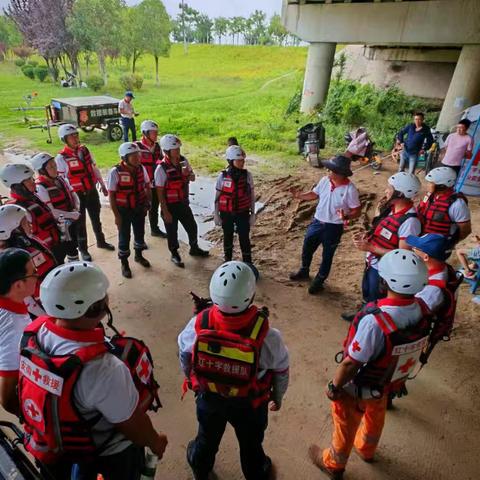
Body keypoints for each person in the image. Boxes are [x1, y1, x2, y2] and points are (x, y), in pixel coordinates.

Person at [18, 262, 168, 479]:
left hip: (53, 443)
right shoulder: (103, 369)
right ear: (97, 308)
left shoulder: (34, 334)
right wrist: (155, 442)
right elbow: (131, 423)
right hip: (107, 453)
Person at [309, 249, 429, 479]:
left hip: (359, 386)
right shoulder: (421, 310)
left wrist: (334, 386)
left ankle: (334, 464)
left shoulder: (376, 322)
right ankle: (366, 448)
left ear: (385, 282)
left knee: (345, 423)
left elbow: (350, 364)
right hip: (385, 383)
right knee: (375, 416)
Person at [178, 261, 289, 480]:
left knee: (207, 437)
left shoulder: (198, 323)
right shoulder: (268, 336)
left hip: (210, 397)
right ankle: (257, 472)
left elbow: (184, 354)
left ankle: (200, 468)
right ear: (251, 296)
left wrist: (191, 380)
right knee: (251, 443)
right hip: (250, 403)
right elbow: (281, 370)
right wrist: (277, 396)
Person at [289, 155, 362, 294]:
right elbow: (314, 194)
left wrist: (347, 216)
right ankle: (304, 271)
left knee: (327, 255)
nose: (327, 172)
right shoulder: (324, 181)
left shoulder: (350, 189)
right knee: (307, 248)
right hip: (317, 222)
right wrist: (300, 195)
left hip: (333, 227)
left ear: (340, 173)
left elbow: (357, 211)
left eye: (330, 170)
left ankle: (319, 280)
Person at [353, 172, 422, 303]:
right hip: (373, 261)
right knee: (367, 290)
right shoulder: (391, 208)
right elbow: (382, 228)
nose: (386, 191)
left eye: (390, 189)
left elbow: (403, 254)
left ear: (400, 194)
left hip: (384, 268)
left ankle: (371, 317)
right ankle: (364, 310)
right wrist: (367, 235)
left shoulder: (410, 222)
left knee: (376, 298)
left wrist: (371, 247)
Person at [55, 124, 114, 261]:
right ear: (65, 139)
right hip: (77, 195)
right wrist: (70, 198)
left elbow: (94, 168)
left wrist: (102, 184)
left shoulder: (85, 150)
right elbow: (62, 181)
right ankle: (83, 249)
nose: (75, 138)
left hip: (91, 190)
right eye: (71, 137)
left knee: (96, 217)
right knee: (80, 223)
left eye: (76, 135)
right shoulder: (61, 158)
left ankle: (101, 241)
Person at [154, 134, 209, 268]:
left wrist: (188, 175)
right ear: (167, 151)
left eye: (179, 149)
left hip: (183, 203)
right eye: (175, 149)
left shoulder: (184, 161)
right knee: (172, 232)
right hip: (169, 205)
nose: (178, 152)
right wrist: (165, 211)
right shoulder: (161, 169)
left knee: (192, 226)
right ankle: (174, 254)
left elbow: (193, 178)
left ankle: (194, 248)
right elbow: (160, 192)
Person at [0, 205, 57, 317]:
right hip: (42, 307)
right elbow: (25, 297)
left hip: (51, 294)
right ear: (15, 229)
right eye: (25, 222)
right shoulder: (14, 260)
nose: (30, 224)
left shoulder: (28, 241)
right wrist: (46, 317)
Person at [0, 163, 63, 262]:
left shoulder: (32, 197)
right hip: (43, 254)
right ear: (18, 186)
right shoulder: (18, 211)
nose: (33, 181)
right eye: (28, 180)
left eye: (31, 178)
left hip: (54, 247)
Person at [0, 248, 36, 414]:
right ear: (19, 285)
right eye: (33, 273)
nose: (37, 276)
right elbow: (7, 399)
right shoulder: (16, 330)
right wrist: (28, 417)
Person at [108, 142, 151, 279]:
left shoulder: (141, 169)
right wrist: (116, 216)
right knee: (124, 237)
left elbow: (147, 186)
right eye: (133, 156)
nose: (137, 158)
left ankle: (138, 256)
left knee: (140, 233)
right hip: (123, 210)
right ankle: (124, 263)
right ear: (125, 158)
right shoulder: (115, 172)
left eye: (138, 155)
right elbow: (112, 195)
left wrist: (147, 204)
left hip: (139, 208)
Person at [31, 152, 81, 263]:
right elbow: (50, 211)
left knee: (73, 248)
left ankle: (75, 266)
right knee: (59, 254)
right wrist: (71, 215)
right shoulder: (40, 188)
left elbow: (73, 194)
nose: (55, 169)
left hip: (71, 221)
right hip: (58, 227)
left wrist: (76, 208)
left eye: (54, 165)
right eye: (50, 167)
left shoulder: (61, 179)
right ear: (42, 170)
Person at [214, 145, 256, 264]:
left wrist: (253, 213)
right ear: (231, 161)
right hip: (226, 213)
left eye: (243, 160)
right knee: (228, 236)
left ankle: (248, 262)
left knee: (244, 238)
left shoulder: (248, 176)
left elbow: (252, 196)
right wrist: (216, 214)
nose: (242, 163)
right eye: (239, 160)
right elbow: (217, 198)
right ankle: (227, 261)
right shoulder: (222, 176)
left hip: (242, 212)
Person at [417, 167, 471, 250]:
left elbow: (465, 229)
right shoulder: (430, 195)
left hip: (438, 245)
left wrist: (451, 243)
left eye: (431, 183)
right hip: (422, 239)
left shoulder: (457, 204)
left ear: (442, 186)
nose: (427, 184)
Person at [136, 120, 167, 238]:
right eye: (153, 133)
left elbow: (161, 162)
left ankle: (154, 228)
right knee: (141, 210)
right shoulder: (137, 147)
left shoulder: (158, 147)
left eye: (156, 132)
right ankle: (140, 237)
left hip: (155, 184)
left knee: (154, 207)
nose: (156, 135)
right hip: (142, 186)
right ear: (145, 134)